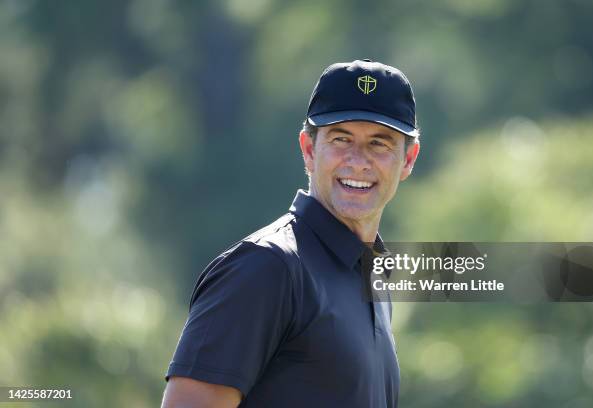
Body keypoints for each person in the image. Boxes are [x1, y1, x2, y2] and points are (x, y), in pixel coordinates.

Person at [161, 59, 420, 408]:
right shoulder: (265, 267)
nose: (358, 161)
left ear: (408, 159)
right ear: (309, 149)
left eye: (380, 143)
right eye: (341, 139)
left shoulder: (371, 276)